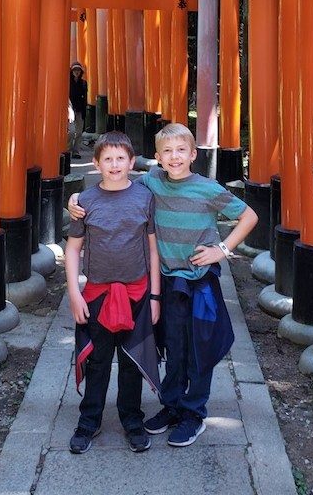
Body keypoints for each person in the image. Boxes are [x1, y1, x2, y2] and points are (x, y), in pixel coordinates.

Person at [68, 122, 258, 448]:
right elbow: (116, 184)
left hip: (198, 281)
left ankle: (193, 414)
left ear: (194, 154)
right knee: (171, 347)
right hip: (167, 281)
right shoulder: (152, 182)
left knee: (198, 350)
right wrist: (75, 199)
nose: (174, 157)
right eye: (167, 151)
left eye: (181, 150)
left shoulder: (208, 189)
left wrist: (223, 250)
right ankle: (171, 405)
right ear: (157, 158)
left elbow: (249, 216)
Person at [65, 130, 161, 455]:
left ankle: (132, 420)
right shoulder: (84, 202)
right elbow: (73, 249)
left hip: (137, 293)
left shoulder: (145, 198)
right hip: (97, 294)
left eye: (121, 158)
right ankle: (88, 421)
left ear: (132, 162)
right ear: (96, 164)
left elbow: (153, 250)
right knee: (98, 360)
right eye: (108, 158)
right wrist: (74, 293)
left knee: (132, 360)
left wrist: (155, 296)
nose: (115, 164)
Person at [68, 61, 88, 158]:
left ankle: (76, 151)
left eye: (78, 70)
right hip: (69, 108)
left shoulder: (83, 83)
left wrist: (85, 111)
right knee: (71, 131)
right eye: (75, 70)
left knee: (79, 132)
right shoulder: (68, 83)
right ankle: (68, 149)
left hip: (80, 109)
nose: (76, 72)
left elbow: (85, 98)